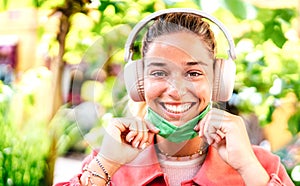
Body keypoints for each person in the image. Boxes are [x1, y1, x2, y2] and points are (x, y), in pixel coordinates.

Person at [55, 8, 294, 186]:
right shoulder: (107, 161)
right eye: (159, 72)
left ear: (218, 81)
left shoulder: (262, 166)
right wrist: (105, 166)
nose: (176, 91)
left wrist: (248, 167)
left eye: (193, 72)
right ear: (138, 82)